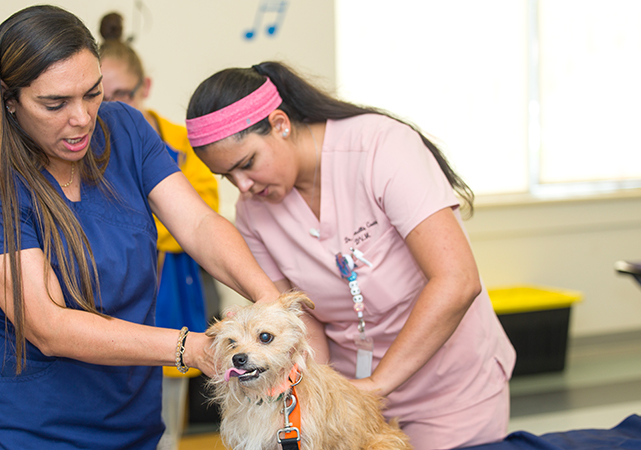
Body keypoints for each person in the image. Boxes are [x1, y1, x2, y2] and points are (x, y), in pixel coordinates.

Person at [0, 6, 279, 450]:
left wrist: (269, 301)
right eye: (55, 103)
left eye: (92, 93)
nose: (81, 118)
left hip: (129, 421)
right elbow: (49, 325)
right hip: (20, 430)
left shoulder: (126, 129)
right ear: (9, 99)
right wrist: (189, 348)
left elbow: (197, 224)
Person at [185, 61, 517, 450]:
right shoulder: (252, 213)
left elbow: (457, 281)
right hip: (346, 397)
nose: (243, 186)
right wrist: (317, 402)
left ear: (280, 124)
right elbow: (293, 322)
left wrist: (377, 385)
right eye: (228, 176)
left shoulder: (382, 148)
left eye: (247, 164)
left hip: (448, 388)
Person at [97, 12, 221, 448]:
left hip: (174, 294)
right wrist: (161, 216)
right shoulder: (86, 151)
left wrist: (147, 224)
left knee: (167, 420)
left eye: (121, 94)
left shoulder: (180, 143)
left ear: (144, 88)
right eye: (99, 95)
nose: (108, 108)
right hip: (111, 305)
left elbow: (200, 215)